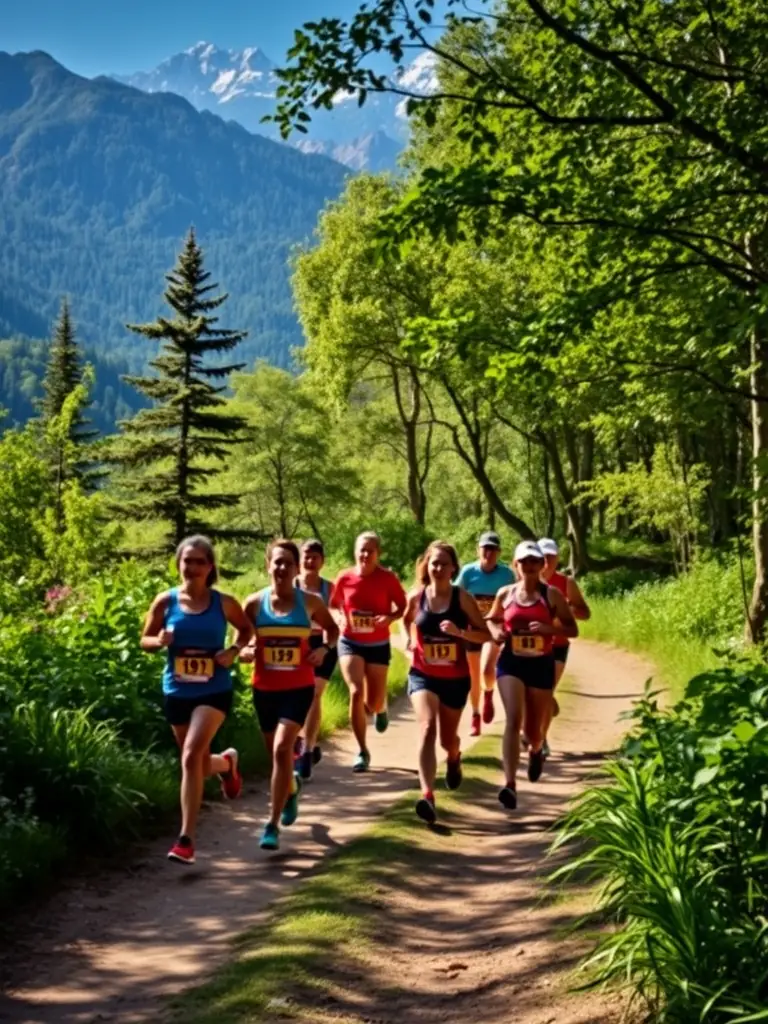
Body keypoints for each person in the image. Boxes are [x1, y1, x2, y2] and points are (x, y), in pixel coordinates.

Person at [140, 535, 253, 866]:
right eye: (187, 561)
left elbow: (246, 631)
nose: (192, 567)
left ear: (210, 567)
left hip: (213, 690)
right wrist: (158, 640)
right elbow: (144, 640)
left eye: (199, 561)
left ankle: (186, 839)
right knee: (200, 765)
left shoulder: (224, 602)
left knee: (190, 757)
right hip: (176, 690)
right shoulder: (165, 602)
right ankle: (227, 764)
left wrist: (232, 651)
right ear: (178, 564)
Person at [242, 539, 339, 851]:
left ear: (297, 569)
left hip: (298, 688)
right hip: (264, 689)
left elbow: (332, 630)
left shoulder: (309, 602)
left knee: (284, 749)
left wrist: (323, 649)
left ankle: (271, 825)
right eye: (277, 562)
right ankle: (292, 790)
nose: (282, 568)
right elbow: (242, 637)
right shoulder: (254, 604)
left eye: (288, 563)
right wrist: (244, 649)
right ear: (268, 565)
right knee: (275, 756)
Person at [402, 541, 491, 824]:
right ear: (426, 566)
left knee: (446, 740)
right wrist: (408, 639)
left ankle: (454, 756)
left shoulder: (461, 598)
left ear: (453, 568)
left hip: (455, 679)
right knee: (427, 727)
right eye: (433, 563)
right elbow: (405, 621)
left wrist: (460, 632)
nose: (438, 568)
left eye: (443, 563)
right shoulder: (416, 597)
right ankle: (427, 795)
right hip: (423, 674)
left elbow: (485, 634)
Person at [487, 540, 577, 811]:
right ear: (516, 565)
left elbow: (572, 629)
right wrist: (496, 633)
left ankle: (536, 750)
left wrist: (548, 630)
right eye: (523, 562)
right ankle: (510, 784)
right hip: (511, 663)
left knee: (533, 732)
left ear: (541, 565)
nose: (529, 566)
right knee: (513, 719)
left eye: (534, 562)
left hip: (540, 664)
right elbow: (492, 619)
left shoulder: (551, 596)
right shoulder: (505, 594)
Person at [331, 531, 407, 773]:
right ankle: (362, 750)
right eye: (361, 550)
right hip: (350, 641)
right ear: (355, 552)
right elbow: (334, 605)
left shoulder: (388, 578)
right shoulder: (344, 578)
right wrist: (341, 617)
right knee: (355, 691)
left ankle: (380, 707)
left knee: (372, 701)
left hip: (377, 644)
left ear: (378, 554)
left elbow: (402, 606)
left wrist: (390, 617)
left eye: (370, 550)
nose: (365, 554)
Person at [456, 531, 515, 736]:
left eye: (492, 549)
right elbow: (456, 596)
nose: (488, 553)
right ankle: (475, 715)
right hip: (473, 630)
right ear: (478, 550)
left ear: (498, 552)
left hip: (493, 630)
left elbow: (514, 600)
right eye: (485, 548)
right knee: (473, 675)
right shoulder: (467, 572)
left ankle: (488, 694)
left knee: (486, 670)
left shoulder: (507, 575)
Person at [538, 537, 591, 755]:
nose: (546, 561)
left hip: (557, 645)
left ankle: (541, 740)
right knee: (531, 693)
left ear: (558, 558)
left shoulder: (566, 583)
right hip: (531, 647)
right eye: (542, 557)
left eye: (551, 556)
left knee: (545, 690)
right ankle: (547, 709)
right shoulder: (524, 582)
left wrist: (568, 607)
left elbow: (585, 613)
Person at [294, 538, 338, 780]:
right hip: (296, 646)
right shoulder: (291, 585)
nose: (310, 561)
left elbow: (339, 620)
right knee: (298, 695)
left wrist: (326, 646)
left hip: (323, 644)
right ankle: (300, 743)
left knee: (314, 694)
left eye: (315, 557)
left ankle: (307, 750)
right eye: (306, 557)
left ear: (322, 561)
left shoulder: (330, 589)